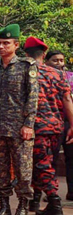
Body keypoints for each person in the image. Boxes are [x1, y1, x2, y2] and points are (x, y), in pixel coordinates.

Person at [0, 24, 39, 215]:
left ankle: (23, 204)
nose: (1, 47)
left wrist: (28, 124)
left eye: (6, 43)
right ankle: (4, 205)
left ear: (16, 45)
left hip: (19, 127)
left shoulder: (26, 66)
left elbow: (32, 97)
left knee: (23, 170)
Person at [23, 37, 73, 214]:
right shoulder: (58, 74)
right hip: (56, 127)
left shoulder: (24, 71)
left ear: (25, 54)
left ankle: (54, 202)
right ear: (44, 54)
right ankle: (35, 201)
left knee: (41, 165)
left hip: (35, 128)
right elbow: (67, 99)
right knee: (42, 162)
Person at [46, 50, 73, 200]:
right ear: (47, 61)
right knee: (51, 158)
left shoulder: (70, 77)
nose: (59, 64)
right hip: (50, 120)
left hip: (69, 121)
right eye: (55, 60)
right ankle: (51, 193)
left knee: (71, 157)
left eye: (61, 60)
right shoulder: (42, 76)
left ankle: (72, 191)